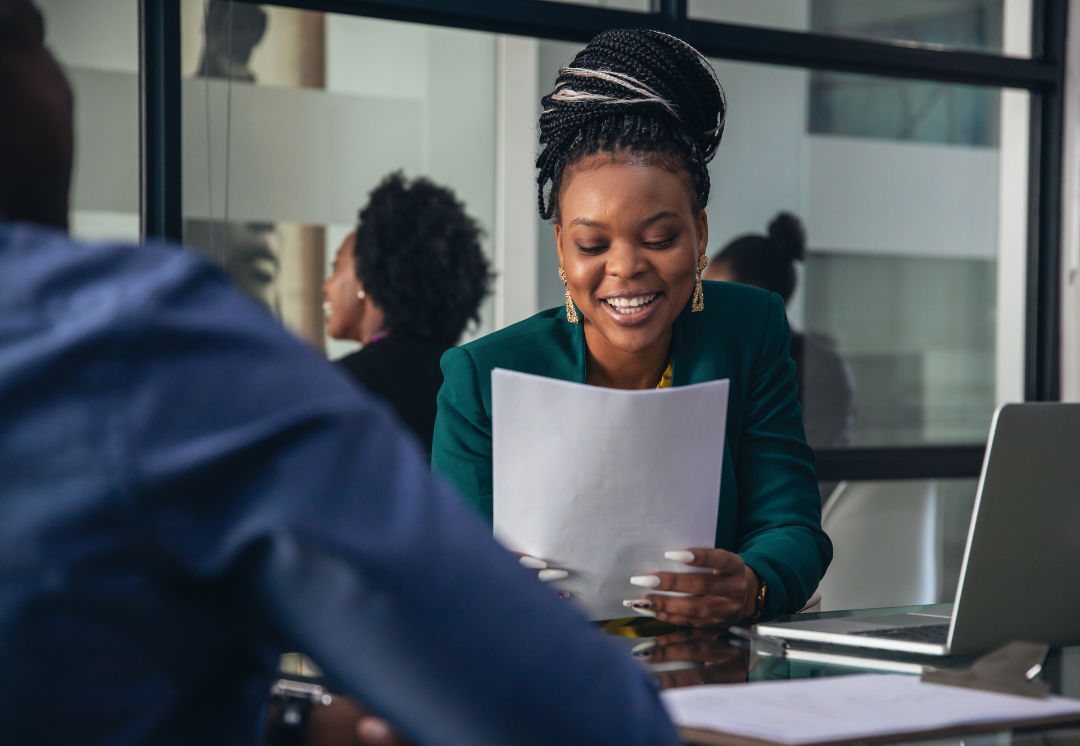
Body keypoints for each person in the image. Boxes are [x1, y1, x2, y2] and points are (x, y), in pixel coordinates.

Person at [0, 3, 681, 744]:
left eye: (335, 266)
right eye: (33, 38)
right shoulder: (153, 349)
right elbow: (569, 711)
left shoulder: (189, 363)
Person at [432, 29, 832, 628]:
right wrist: (484, 587)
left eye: (660, 238)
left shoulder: (749, 330)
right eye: (593, 244)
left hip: (707, 674)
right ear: (563, 250)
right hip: (545, 678)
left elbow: (792, 525)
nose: (625, 269)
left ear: (700, 233)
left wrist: (752, 583)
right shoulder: (481, 379)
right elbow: (443, 570)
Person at [324, 172, 491, 455]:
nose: (325, 286)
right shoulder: (468, 380)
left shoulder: (345, 385)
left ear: (368, 273)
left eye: (336, 265)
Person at [703, 213, 855, 450]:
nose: (706, 308)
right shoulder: (711, 360)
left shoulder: (818, 371)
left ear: (756, 299)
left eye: (718, 296)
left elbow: (816, 470)